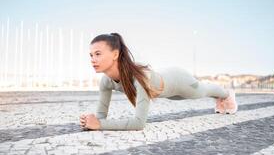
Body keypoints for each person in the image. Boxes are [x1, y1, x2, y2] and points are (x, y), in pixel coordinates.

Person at [80, 33, 238, 131]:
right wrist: (92, 121)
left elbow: (139, 123)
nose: (93, 60)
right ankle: (221, 97)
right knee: (188, 96)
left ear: (115, 54)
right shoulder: (106, 82)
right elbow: (101, 117)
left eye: (98, 54)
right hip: (165, 92)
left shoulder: (139, 78)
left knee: (201, 91)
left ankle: (226, 94)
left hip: (178, 79)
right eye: (91, 55)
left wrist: (100, 125)